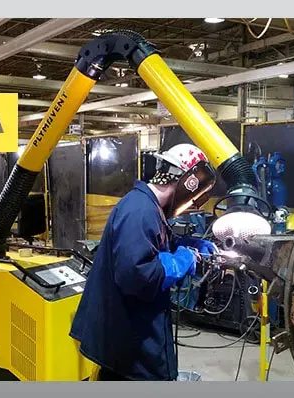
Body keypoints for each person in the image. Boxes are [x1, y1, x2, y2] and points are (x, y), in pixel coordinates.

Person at [70, 143, 219, 381]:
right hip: (127, 343)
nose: (192, 205)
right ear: (188, 183)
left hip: (131, 334)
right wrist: (183, 260)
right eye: (195, 198)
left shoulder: (149, 207)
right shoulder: (139, 211)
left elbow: (157, 244)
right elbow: (137, 274)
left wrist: (189, 244)